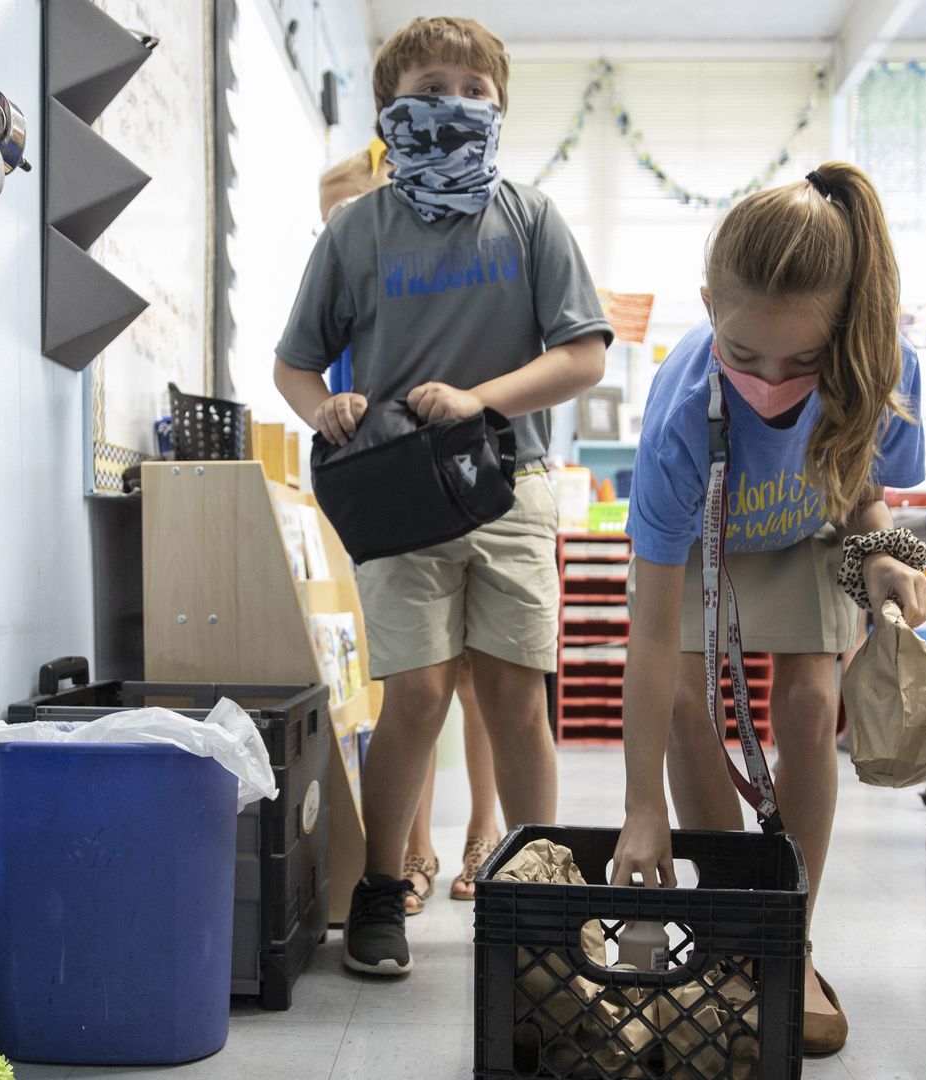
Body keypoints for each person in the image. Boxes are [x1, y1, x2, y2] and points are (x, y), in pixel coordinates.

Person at [275, 16, 611, 975]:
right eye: (433, 84)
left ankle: (542, 898)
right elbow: (294, 365)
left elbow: (581, 354)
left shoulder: (533, 218)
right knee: (416, 695)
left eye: (476, 89)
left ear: (501, 108)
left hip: (513, 483)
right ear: (393, 108)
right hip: (400, 493)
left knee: (514, 698)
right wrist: (326, 405)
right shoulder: (355, 231)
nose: (456, 103)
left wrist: (479, 402)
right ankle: (383, 887)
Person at [611, 163, 926, 1056]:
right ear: (711, 304)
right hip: (709, 514)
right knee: (683, 701)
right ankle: (729, 931)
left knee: (803, 700)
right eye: (745, 356)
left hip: (805, 526)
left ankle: (787, 938)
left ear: (844, 332)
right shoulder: (680, 415)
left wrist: (881, 557)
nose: (773, 383)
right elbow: (653, 635)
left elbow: (864, 489)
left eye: (803, 362)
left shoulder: (879, 363)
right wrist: (643, 811)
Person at [316, 145, 506, 914]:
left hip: (452, 468)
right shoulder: (341, 280)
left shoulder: (419, 260)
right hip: (385, 482)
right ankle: (416, 844)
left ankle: (484, 833)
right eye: (324, 221)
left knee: (480, 677)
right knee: (417, 682)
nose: (332, 231)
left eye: (342, 214)